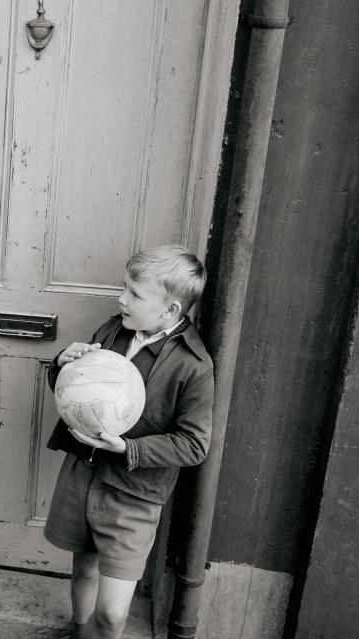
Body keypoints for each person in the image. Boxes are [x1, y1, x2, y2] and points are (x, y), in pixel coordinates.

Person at [43, 244, 213, 639]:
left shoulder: (193, 365)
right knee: (82, 568)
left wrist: (129, 449)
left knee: (113, 615)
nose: (121, 298)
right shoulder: (111, 331)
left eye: (135, 294)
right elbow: (75, 396)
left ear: (170, 309)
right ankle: (77, 633)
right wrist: (63, 365)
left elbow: (194, 444)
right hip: (82, 474)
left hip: (134, 496)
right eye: (125, 288)